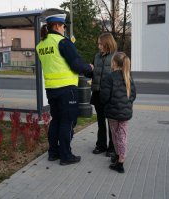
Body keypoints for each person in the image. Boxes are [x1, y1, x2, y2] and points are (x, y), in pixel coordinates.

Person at [36, 14, 93, 166]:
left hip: (51, 89)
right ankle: (66, 156)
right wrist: (90, 70)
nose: (64, 29)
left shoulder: (41, 45)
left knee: (56, 120)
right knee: (67, 122)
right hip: (67, 89)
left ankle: (53, 153)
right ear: (57, 26)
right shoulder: (62, 42)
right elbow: (76, 64)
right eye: (63, 26)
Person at [100, 52, 136, 173]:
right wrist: (127, 104)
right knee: (123, 135)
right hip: (125, 112)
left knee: (116, 135)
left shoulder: (109, 77)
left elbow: (104, 97)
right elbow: (133, 95)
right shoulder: (128, 76)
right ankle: (119, 156)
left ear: (114, 63)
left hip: (113, 113)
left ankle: (120, 161)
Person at [85, 33, 117, 157]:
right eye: (98, 44)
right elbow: (92, 74)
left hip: (110, 95)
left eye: (100, 44)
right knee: (100, 121)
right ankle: (101, 145)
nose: (98, 46)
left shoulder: (116, 57)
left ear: (107, 43)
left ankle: (112, 147)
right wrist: (88, 69)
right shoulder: (97, 57)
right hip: (98, 93)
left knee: (111, 122)